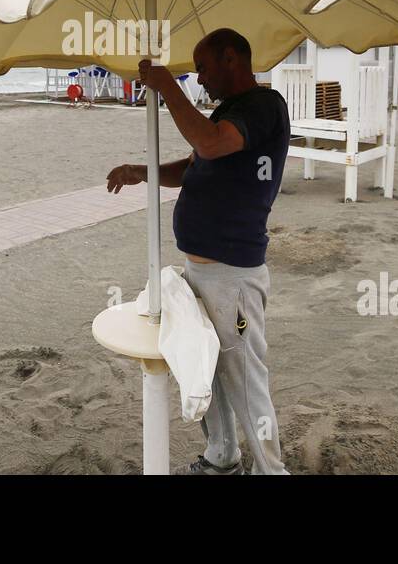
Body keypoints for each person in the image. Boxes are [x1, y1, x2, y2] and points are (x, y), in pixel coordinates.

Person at [106, 28, 290, 475]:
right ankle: (221, 455)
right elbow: (193, 166)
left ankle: (271, 471)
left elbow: (210, 143)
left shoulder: (263, 106)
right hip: (200, 270)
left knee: (245, 381)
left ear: (232, 58)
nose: (200, 79)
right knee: (203, 365)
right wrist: (142, 171)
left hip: (232, 276)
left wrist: (168, 85)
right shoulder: (226, 113)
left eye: (202, 68)